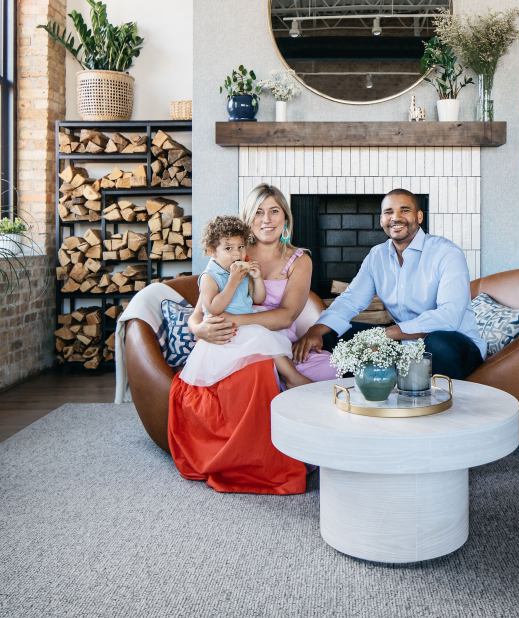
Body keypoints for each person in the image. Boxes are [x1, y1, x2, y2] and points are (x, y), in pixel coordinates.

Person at [168, 184, 334, 494]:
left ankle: (313, 439)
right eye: (258, 212)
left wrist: (238, 320)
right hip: (233, 340)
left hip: (277, 338)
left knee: (331, 374)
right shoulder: (232, 252)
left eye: (274, 211)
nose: (266, 219)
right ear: (248, 217)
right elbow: (202, 308)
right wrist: (198, 328)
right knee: (257, 377)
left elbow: (286, 316)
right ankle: (263, 453)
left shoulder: (299, 260)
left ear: (286, 217)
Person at [293, 188, 486, 379]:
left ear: (419, 217)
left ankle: (433, 402)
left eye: (405, 210)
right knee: (333, 335)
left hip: (456, 344)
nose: (396, 217)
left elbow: (449, 317)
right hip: (403, 342)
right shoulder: (377, 255)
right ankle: (366, 394)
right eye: (388, 212)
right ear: (381, 220)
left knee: (437, 342)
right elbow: (351, 300)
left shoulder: (447, 253)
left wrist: (388, 334)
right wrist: (316, 330)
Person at [180, 215, 310, 389]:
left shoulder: (239, 268)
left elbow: (258, 299)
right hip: (226, 327)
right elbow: (213, 308)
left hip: (244, 320)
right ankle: (292, 377)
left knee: (266, 336)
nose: (237, 253)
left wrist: (257, 279)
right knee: (262, 336)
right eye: (228, 248)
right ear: (212, 251)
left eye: (241, 247)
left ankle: (290, 376)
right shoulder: (210, 277)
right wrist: (232, 282)